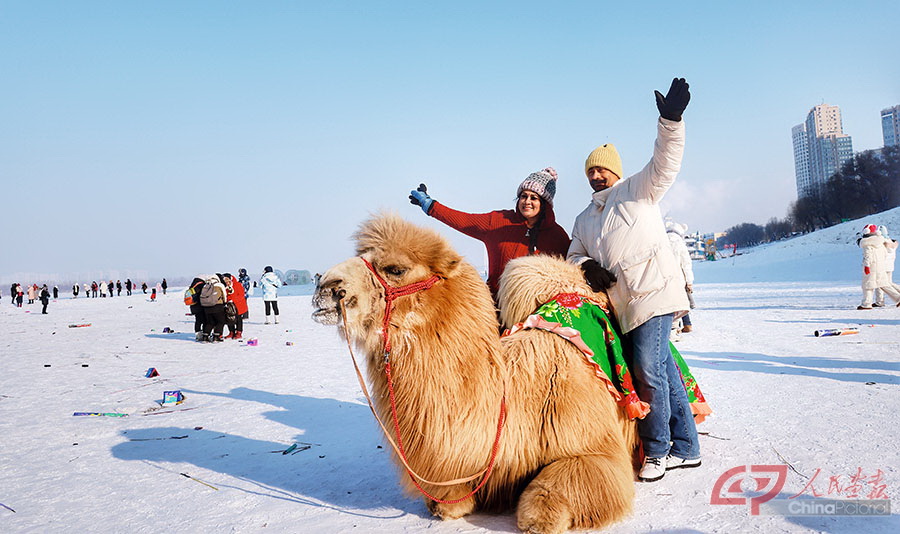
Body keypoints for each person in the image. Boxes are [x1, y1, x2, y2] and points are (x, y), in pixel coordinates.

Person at [567, 78, 699, 482]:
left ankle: (658, 450)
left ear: (616, 171)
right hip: (623, 304)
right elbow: (574, 253)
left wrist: (670, 121)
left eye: (602, 169)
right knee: (663, 370)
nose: (595, 175)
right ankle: (688, 448)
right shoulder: (584, 217)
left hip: (653, 293)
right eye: (590, 170)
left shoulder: (638, 190)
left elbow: (666, 162)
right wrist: (586, 266)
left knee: (648, 371)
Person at [409, 167, 570, 301]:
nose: (527, 201)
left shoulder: (557, 236)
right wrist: (431, 206)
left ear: (545, 204)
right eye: (523, 196)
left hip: (536, 309)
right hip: (496, 305)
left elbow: (573, 265)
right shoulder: (499, 221)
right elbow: (464, 221)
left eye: (534, 198)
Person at [858, 223, 900, 309]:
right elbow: (885, 253)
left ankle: (866, 303)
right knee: (883, 284)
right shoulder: (880, 242)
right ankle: (898, 298)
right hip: (880, 266)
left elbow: (868, 255)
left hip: (871, 267)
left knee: (867, 285)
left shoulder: (867, 243)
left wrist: (867, 266)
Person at [666, 221, 695, 333]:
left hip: (663, 278)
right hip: (679, 279)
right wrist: (689, 281)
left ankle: (674, 328)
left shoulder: (661, 241)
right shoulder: (680, 244)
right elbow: (686, 264)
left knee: (668, 304)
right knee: (681, 302)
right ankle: (686, 325)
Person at [873, 225, 899, 307]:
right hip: (890, 266)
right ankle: (879, 301)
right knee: (889, 283)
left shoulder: (881, 243)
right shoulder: (892, 243)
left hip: (882, 266)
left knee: (879, 283)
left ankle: (879, 301)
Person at [200, 274, 228, 341]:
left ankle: (205, 336)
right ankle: (216, 336)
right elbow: (224, 296)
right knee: (221, 321)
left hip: (206, 307)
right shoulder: (219, 285)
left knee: (210, 322)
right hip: (217, 306)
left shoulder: (206, 285)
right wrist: (224, 303)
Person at [223, 273, 248, 339]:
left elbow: (241, 295)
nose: (226, 281)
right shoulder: (224, 287)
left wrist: (233, 300)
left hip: (238, 305)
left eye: (227, 279)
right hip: (229, 306)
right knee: (229, 319)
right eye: (225, 280)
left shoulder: (237, 285)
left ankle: (239, 332)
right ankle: (231, 332)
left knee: (238, 319)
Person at [186, 276, 210, 341]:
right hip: (201, 306)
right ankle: (204, 334)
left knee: (198, 321)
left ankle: (198, 335)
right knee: (205, 320)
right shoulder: (201, 285)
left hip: (193, 306)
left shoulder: (192, 286)